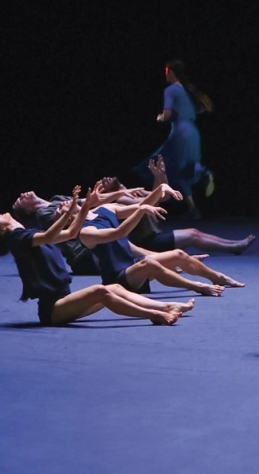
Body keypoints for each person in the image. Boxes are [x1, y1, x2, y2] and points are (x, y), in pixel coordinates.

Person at [0, 185, 188, 326]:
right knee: (101, 291)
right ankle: (155, 315)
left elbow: (72, 233)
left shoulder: (28, 235)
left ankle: (167, 306)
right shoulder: (19, 238)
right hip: (53, 308)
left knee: (114, 287)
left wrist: (84, 206)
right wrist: (69, 212)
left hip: (64, 299)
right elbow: (50, 235)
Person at [78, 184, 242, 296]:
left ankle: (217, 277)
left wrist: (159, 189)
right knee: (149, 264)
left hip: (133, 265)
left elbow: (142, 204)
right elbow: (120, 232)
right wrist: (141, 210)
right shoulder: (86, 231)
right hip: (118, 278)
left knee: (178, 254)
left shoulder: (106, 208)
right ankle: (198, 287)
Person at [135, 59, 214, 219]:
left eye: (166, 72)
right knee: (179, 171)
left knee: (153, 165)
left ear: (171, 72)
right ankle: (193, 209)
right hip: (192, 132)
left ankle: (202, 174)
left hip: (180, 133)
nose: (165, 75)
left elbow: (167, 114)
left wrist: (160, 118)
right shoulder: (187, 89)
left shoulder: (171, 90)